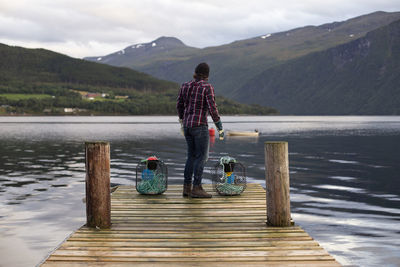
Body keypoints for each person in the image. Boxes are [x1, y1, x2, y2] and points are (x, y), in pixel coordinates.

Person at [176, 62, 224, 198]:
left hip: (187, 126)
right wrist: (219, 126)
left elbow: (179, 104)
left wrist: (182, 119)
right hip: (200, 126)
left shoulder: (185, 85)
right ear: (207, 75)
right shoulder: (207, 87)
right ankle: (197, 188)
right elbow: (212, 108)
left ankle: (186, 188)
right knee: (201, 157)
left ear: (195, 72)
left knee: (191, 156)